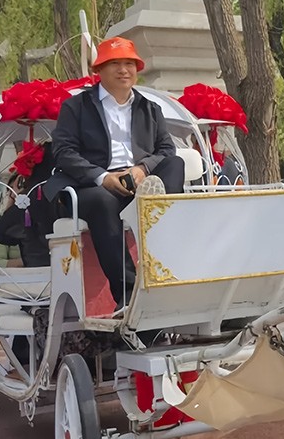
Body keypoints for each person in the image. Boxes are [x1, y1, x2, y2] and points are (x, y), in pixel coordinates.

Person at [44, 37, 184, 311]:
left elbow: (166, 149)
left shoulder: (150, 108)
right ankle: (128, 291)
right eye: (115, 64)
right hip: (92, 186)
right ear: (99, 71)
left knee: (175, 165)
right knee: (102, 200)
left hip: (139, 181)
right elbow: (63, 152)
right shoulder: (77, 107)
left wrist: (142, 169)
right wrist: (102, 177)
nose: (124, 70)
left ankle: (166, 263)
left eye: (130, 63)